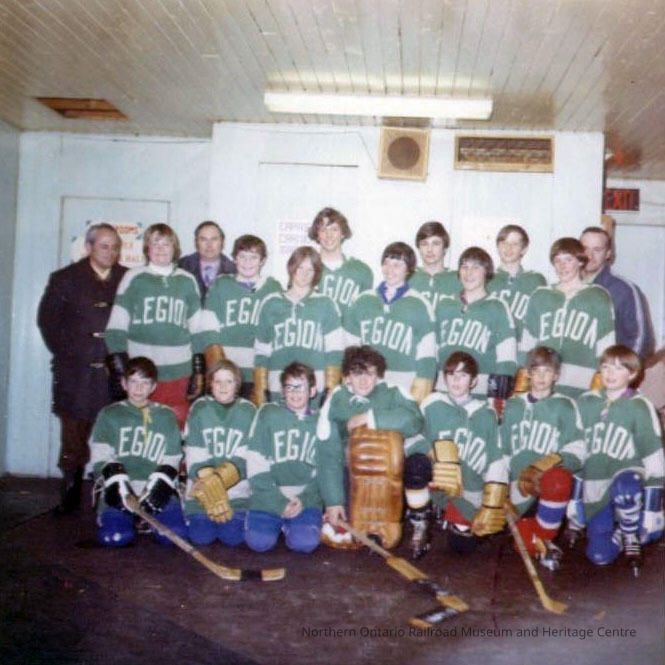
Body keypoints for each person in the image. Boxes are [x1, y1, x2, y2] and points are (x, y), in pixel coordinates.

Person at [37, 223, 127, 514]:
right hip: (75, 374)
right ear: (89, 247)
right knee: (73, 439)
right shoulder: (64, 279)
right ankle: (70, 495)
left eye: (115, 247)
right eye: (104, 246)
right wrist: (73, 354)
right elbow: (47, 322)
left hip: (114, 374)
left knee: (116, 436)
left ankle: (113, 497)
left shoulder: (128, 278)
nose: (111, 252)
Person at [317, 345, 424, 548]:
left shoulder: (393, 392)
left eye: (370, 374)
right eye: (357, 374)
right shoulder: (337, 398)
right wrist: (333, 501)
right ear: (347, 376)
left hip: (388, 473)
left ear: (378, 375)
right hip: (350, 472)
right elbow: (327, 454)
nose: (364, 380)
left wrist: (369, 417)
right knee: (345, 531)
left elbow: (415, 421)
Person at [105, 223, 207, 428]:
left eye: (166, 244)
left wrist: (198, 370)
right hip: (142, 375)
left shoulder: (187, 280)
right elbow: (116, 327)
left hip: (179, 373)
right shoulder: (133, 277)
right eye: (155, 243)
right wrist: (121, 370)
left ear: (174, 248)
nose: (161, 249)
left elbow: (198, 330)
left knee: (173, 428)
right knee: (140, 429)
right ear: (147, 248)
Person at [574, 345, 664, 573]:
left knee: (627, 490)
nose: (610, 374)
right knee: (599, 556)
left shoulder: (640, 406)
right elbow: (577, 452)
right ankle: (620, 534)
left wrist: (652, 509)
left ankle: (631, 534)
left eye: (618, 368)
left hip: (628, 479)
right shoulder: (586, 402)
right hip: (596, 483)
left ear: (632, 374)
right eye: (605, 367)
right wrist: (575, 499)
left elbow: (654, 457)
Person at [407, 351, 507, 558]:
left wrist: (491, 503)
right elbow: (411, 437)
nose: (456, 380)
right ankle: (421, 522)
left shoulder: (486, 413)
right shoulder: (432, 403)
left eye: (463, 375)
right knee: (415, 463)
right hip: (437, 482)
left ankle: (454, 519)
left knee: (462, 546)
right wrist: (432, 453)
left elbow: (496, 460)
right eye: (451, 374)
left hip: (468, 490)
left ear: (474, 381)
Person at [244, 362, 345, 553]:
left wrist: (304, 500)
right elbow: (255, 464)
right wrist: (278, 503)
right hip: (268, 499)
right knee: (258, 542)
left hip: (304, 501)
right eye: (289, 387)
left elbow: (324, 471)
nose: (294, 393)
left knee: (305, 544)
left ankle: (291, 526)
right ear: (283, 391)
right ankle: (277, 523)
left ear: (312, 391)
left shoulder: (321, 423)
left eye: (300, 387)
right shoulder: (267, 414)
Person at [502, 346, 585, 570]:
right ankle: (539, 541)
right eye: (536, 371)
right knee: (522, 544)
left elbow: (578, 448)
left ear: (556, 375)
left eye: (547, 371)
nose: (541, 377)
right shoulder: (513, 405)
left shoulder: (565, 405)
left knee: (558, 479)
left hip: (548, 489)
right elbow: (502, 449)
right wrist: (501, 486)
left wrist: (545, 466)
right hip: (518, 488)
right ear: (528, 373)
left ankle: (546, 539)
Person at [89, 357, 186, 547]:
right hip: (121, 492)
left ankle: (145, 521)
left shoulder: (165, 416)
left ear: (153, 386)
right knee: (115, 537)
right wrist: (117, 485)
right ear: (124, 383)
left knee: (175, 536)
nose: (139, 388)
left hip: (155, 490)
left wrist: (159, 486)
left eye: (145, 383)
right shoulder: (109, 414)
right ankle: (130, 521)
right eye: (133, 381)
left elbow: (172, 459)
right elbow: (100, 459)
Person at [521, 237, 616, 398]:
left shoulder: (598, 296)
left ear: (580, 261)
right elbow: (527, 343)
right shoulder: (540, 295)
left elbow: (606, 344)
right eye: (557, 261)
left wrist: (600, 387)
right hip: (543, 382)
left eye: (568, 260)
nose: (562, 266)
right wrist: (524, 381)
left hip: (583, 383)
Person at [344, 241, 436, 404]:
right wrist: (350, 385)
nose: (389, 269)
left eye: (397, 265)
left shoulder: (420, 305)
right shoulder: (362, 300)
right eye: (386, 263)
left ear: (409, 270)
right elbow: (348, 349)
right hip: (366, 385)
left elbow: (427, 357)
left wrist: (416, 400)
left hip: (403, 388)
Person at [253, 246, 343, 405]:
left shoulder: (326, 304)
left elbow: (335, 351)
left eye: (310, 269)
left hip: (314, 390)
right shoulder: (271, 302)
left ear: (316, 273)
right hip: (278, 386)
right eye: (300, 267)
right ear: (291, 267)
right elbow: (261, 351)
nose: (304, 274)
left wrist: (330, 389)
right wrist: (261, 388)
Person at [435, 246, 517, 412]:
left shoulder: (497, 307)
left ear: (486, 272)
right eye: (464, 267)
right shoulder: (444, 305)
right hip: (443, 394)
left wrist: (496, 403)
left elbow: (507, 360)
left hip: (480, 397)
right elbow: (433, 352)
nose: (468, 273)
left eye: (475, 267)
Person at [183, 359, 255, 546]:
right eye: (218, 381)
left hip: (237, 496)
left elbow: (247, 459)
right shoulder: (199, 408)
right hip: (201, 495)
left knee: (232, 538)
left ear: (237, 385)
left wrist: (218, 483)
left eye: (229, 381)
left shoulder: (248, 411)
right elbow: (194, 455)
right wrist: (210, 491)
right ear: (210, 384)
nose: (223, 387)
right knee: (201, 537)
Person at [201, 234, 281, 399]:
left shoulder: (273, 288)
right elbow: (208, 330)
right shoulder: (221, 285)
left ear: (262, 261)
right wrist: (219, 368)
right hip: (225, 372)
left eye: (253, 257)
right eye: (242, 257)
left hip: (257, 373)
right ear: (234, 259)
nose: (247, 262)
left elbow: (276, 334)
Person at [580, 226, 654, 359]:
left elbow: (641, 340)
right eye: (585, 248)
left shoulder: (624, 290)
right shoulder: (567, 287)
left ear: (608, 253)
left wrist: (619, 368)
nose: (589, 256)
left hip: (607, 370)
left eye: (597, 250)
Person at [488, 224, 546, 356]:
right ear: (498, 247)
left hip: (522, 351)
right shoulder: (486, 278)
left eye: (514, 244)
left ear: (524, 249)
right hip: (491, 350)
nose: (508, 248)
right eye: (504, 243)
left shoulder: (535, 280)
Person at [308, 207, 373, 316]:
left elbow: (366, 315)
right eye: (323, 230)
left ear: (343, 233)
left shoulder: (361, 271)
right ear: (317, 235)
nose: (329, 235)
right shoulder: (305, 268)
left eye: (334, 229)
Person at [409, 221, 460, 310]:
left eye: (436, 243)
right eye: (424, 244)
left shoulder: (459, 279)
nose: (429, 249)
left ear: (445, 248)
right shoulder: (407, 278)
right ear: (419, 248)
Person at [179, 221, 236, 300]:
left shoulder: (235, 271)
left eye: (214, 239)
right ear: (196, 243)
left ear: (222, 242)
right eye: (203, 239)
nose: (209, 245)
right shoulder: (181, 266)